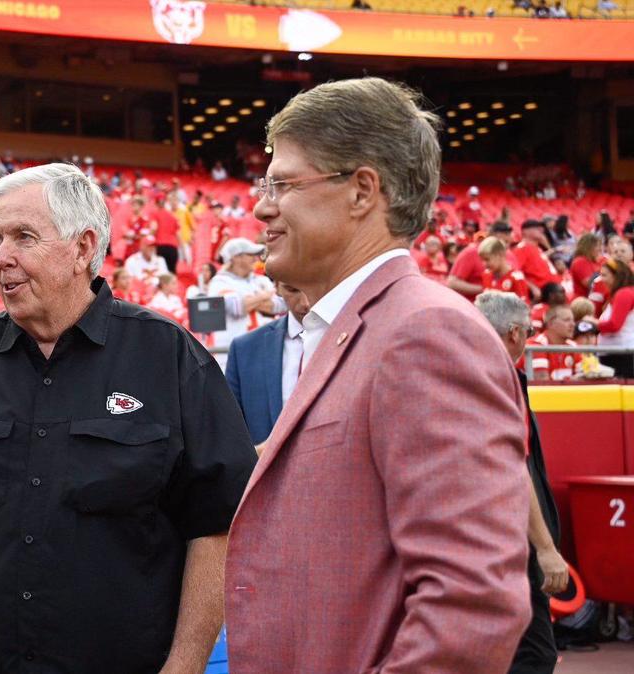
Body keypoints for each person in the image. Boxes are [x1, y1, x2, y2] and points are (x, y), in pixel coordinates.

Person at [0, 163, 257, 674]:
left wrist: (182, 669)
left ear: (82, 248)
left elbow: (216, 527)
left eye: (24, 238)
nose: (0, 258)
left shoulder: (170, 357)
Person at [227, 77, 530, 673]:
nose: (262, 206)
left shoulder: (426, 333)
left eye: (283, 183)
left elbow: (471, 608)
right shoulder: (350, 329)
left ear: (362, 190)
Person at [474, 292, 569, 674]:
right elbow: (517, 466)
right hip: (509, 540)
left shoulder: (466, 372)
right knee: (533, 654)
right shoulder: (500, 378)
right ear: (514, 333)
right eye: (528, 331)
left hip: (478, 540)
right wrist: (545, 548)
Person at [224, 280, 310, 444]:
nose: (305, 303)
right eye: (292, 289)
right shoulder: (244, 349)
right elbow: (229, 430)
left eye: (313, 285)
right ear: (276, 287)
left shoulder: (357, 336)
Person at [207, 237, 279, 365]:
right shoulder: (219, 282)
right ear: (236, 257)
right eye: (251, 254)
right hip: (231, 353)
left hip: (264, 350)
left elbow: (281, 305)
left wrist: (250, 302)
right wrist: (264, 296)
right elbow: (237, 308)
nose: (256, 259)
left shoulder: (260, 280)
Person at [582, 258, 634, 377]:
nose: (601, 279)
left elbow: (614, 325)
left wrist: (594, 322)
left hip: (621, 355)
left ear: (617, 275)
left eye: (605, 275)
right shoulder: (622, 292)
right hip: (617, 353)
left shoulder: (624, 293)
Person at [529, 304, 582, 381]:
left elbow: (584, 376)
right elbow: (541, 381)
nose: (573, 324)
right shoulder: (536, 345)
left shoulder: (573, 346)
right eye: (567, 320)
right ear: (551, 323)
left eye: (573, 320)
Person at [481, 235, 532, 303]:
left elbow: (523, 310)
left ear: (500, 255)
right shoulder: (486, 274)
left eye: (487, 259)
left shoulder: (516, 278)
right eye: (482, 260)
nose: (484, 264)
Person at [569, 232, 603, 298]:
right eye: (597, 246)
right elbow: (590, 284)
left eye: (600, 246)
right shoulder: (580, 262)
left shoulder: (594, 261)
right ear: (588, 247)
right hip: (583, 301)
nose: (600, 249)